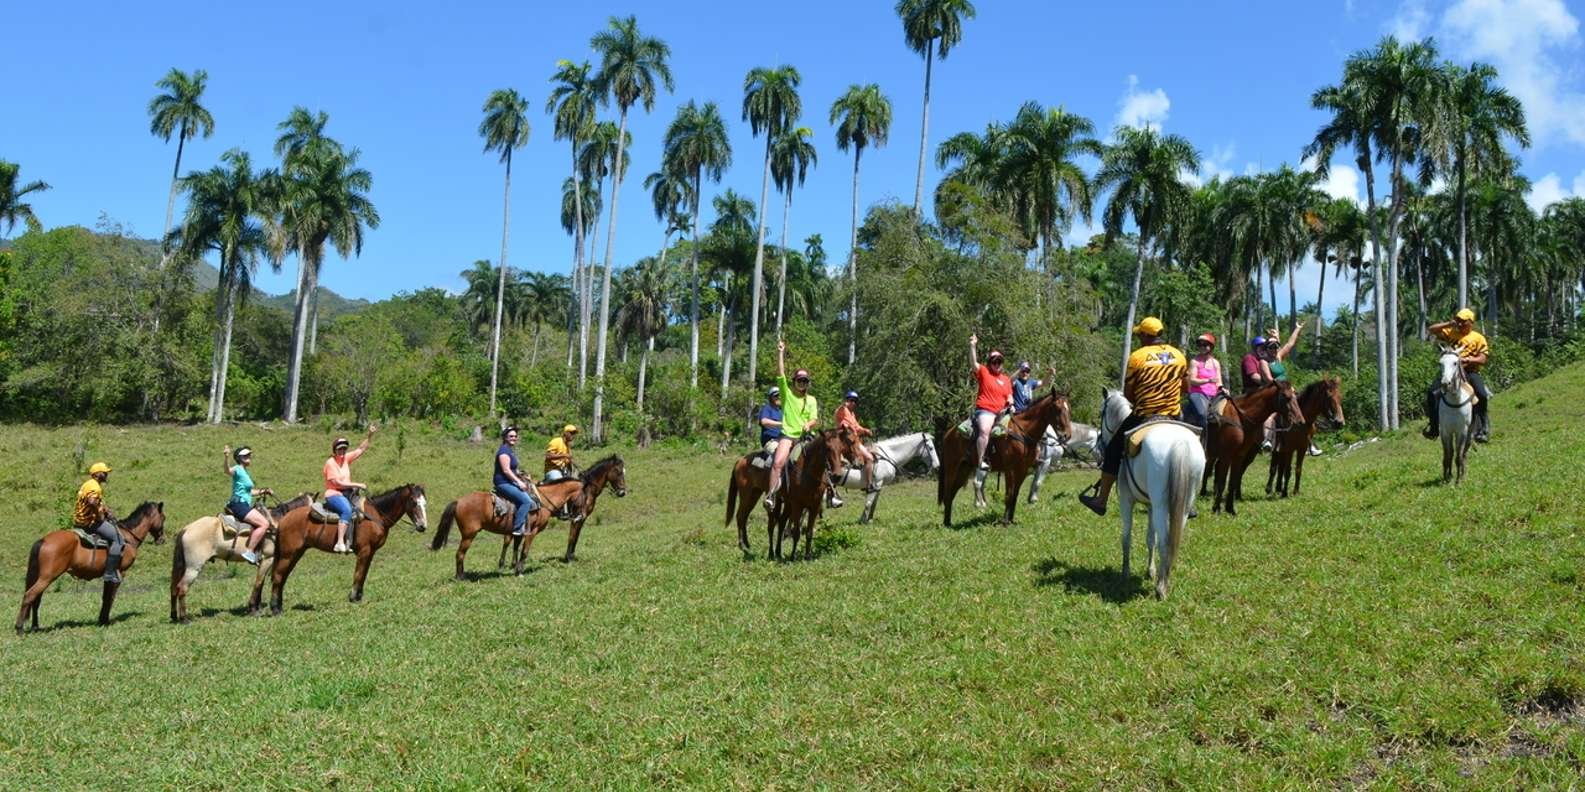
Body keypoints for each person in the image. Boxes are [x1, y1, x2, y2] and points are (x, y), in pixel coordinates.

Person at [1079, 317, 1187, 516]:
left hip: (1144, 415)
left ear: (1146, 335)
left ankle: (1101, 500)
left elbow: (1129, 394)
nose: (1139, 339)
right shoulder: (1179, 355)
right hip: (1173, 415)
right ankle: (1189, 502)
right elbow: (1185, 387)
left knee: (1113, 449)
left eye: (1139, 335)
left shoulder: (1137, 357)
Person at [767, 339, 836, 508]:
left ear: (808, 383)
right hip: (788, 436)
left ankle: (832, 494)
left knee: (826, 459)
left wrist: (809, 425)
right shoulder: (786, 395)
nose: (802, 383)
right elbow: (780, 373)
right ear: (794, 381)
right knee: (778, 463)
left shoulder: (811, 400)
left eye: (805, 381)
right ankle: (771, 495)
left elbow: (814, 418)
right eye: (799, 380)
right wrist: (780, 352)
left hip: (806, 437)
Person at [1424, 308, 1491, 443]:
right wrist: (1449, 324)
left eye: (1463, 322)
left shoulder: (1478, 338)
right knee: (1432, 393)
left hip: (1469, 371)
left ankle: (1483, 428)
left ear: (1471, 322)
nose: (1460, 324)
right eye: (1458, 321)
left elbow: (1483, 359)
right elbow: (1431, 329)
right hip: (1450, 370)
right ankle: (1434, 427)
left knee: (1482, 395)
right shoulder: (1451, 332)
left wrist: (1468, 360)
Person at [322, 425, 376, 554]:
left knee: (362, 510)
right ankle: (339, 542)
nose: (342, 451)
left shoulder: (345, 458)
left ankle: (351, 540)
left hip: (347, 493)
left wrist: (369, 435)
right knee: (346, 510)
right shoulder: (330, 463)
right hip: (334, 494)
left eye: (344, 449)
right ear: (335, 450)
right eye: (339, 449)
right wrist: (357, 485)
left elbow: (361, 449)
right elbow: (337, 483)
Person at [968, 334, 1014, 470]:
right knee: (985, 430)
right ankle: (981, 460)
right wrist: (972, 346)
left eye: (999, 361)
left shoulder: (1006, 379)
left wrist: (1011, 404)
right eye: (994, 362)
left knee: (1018, 430)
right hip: (986, 410)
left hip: (1002, 412)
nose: (997, 364)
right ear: (990, 363)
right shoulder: (984, 371)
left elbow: (1009, 396)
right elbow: (973, 363)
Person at [222, 445, 274, 565]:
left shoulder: (245, 472)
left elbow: (249, 492)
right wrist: (226, 457)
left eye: (249, 455)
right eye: (245, 455)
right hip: (239, 504)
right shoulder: (237, 469)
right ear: (239, 458)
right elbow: (227, 471)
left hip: (243, 503)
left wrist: (263, 491)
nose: (248, 456)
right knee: (264, 524)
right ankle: (249, 551)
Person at [73, 462, 123, 583]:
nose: (106, 475)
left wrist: (105, 510)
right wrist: (100, 516)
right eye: (104, 473)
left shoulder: (88, 484)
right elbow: (92, 502)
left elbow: (96, 502)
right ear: (97, 474)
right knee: (118, 539)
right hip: (90, 522)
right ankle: (109, 573)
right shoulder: (95, 487)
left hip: (80, 520)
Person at [494, 426, 539, 537]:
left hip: (509, 481)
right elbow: (506, 470)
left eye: (515, 436)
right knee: (526, 501)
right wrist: (519, 482)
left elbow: (512, 469)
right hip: (503, 482)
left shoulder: (510, 450)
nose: (513, 438)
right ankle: (518, 528)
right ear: (505, 438)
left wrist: (521, 474)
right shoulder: (504, 452)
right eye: (511, 436)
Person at [834, 390, 876, 492]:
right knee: (869, 457)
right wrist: (843, 405)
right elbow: (839, 413)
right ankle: (868, 484)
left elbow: (856, 427)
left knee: (870, 456)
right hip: (845, 440)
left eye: (855, 401)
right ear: (847, 400)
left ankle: (867, 483)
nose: (853, 403)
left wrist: (865, 430)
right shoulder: (842, 409)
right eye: (851, 400)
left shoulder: (852, 414)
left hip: (854, 440)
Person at [1183, 333, 1223, 428]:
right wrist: (1208, 380)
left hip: (1214, 394)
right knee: (1202, 414)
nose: (1202, 347)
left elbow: (1219, 381)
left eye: (1205, 345)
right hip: (1198, 393)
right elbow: (1192, 380)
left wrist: (1221, 388)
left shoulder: (1215, 363)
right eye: (1200, 345)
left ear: (1211, 347)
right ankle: (1203, 435)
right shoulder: (1195, 361)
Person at [757, 386, 785, 456]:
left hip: (783, 440)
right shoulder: (767, 408)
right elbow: (764, 421)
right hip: (771, 442)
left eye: (780, 395)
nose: (779, 397)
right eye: (776, 396)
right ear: (770, 398)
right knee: (780, 455)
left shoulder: (782, 411)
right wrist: (781, 424)